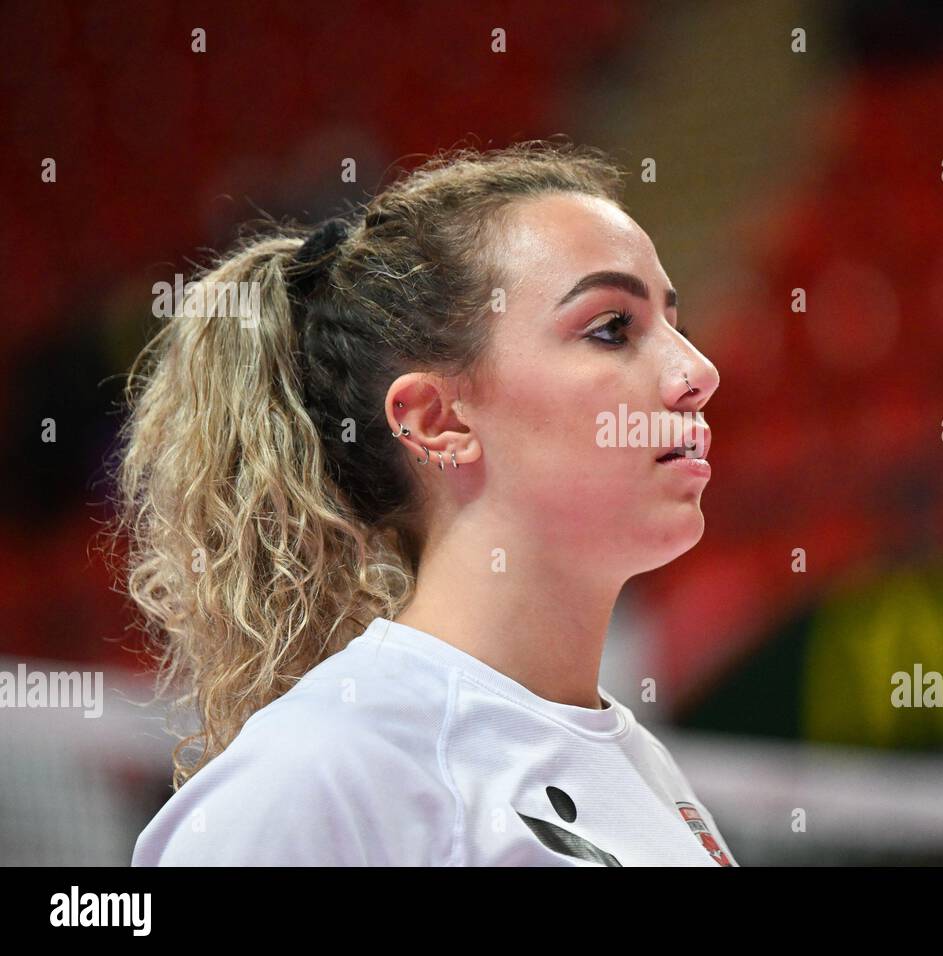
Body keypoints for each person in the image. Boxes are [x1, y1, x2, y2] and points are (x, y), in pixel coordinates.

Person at [113, 140, 734, 866]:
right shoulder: (322, 776)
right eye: (611, 329)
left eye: (675, 326)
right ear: (439, 421)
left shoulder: (648, 774)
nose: (699, 371)